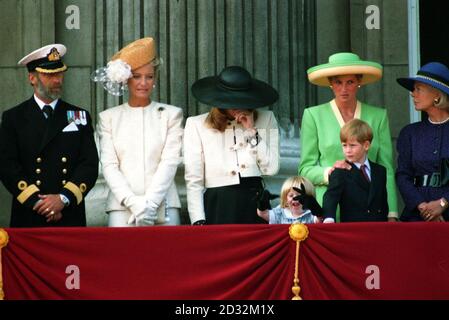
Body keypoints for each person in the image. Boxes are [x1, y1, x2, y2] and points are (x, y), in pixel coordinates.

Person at [0, 44, 99, 227]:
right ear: (32, 78)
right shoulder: (13, 118)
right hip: (29, 214)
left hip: (69, 215)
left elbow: (89, 164)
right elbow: (7, 166)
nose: (57, 80)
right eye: (49, 75)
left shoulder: (79, 116)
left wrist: (63, 199)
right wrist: (39, 203)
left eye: (59, 73)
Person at [298, 52, 398, 221]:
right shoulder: (313, 115)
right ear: (330, 83)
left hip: (370, 210)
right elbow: (305, 169)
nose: (344, 89)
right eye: (338, 82)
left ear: (359, 83)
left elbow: (386, 168)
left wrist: (392, 213)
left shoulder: (378, 116)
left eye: (350, 82)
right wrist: (330, 172)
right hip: (329, 210)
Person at [94, 37, 183, 227]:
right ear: (126, 79)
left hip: (164, 204)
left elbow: (170, 161)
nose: (143, 83)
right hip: (122, 206)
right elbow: (109, 165)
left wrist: (149, 204)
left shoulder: (172, 115)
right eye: (137, 76)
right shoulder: (108, 117)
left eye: (149, 76)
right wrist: (134, 203)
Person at [184, 66, 280, 225]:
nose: (237, 104)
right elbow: (194, 179)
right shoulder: (196, 124)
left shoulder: (267, 118)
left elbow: (271, 168)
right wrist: (198, 219)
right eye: (232, 99)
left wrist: (251, 132)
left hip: (254, 202)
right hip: (218, 204)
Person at [396, 62, 449, 222]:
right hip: (417, 216)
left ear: (436, 95)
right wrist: (421, 206)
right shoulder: (409, 133)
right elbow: (402, 175)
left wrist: (443, 203)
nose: (413, 94)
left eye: (418, 89)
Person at [322, 119, 389, 222]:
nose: (348, 150)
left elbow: (383, 204)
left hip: (377, 230)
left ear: (366, 145)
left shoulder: (380, 171)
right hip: (353, 231)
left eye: (352, 145)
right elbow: (330, 197)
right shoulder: (340, 172)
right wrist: (329, 218)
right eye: (344, 145)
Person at [257, 176, 322, 224]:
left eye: (300, 196)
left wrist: (317, 211)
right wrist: (262, 205)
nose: (295, 199)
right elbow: (263, 214)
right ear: (285, 198)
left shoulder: (311, 214)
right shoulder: (280, 213)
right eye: (291, 195)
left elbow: (320, 221)